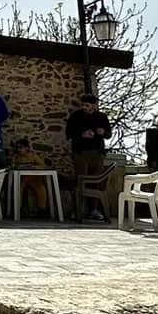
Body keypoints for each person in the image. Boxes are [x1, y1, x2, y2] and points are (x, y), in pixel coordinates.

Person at [63, 93, 112, 221]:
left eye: (87, 105)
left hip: (97, 153)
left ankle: (93, 210)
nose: (84, 107)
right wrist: (81, 134)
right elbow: (69, 133)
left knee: (95, 182)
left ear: (94, 106)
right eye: (83, 105)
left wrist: (103, 132)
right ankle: (77, 209)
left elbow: (108, 134)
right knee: (81, 180)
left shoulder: (101, 117)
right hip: (81, 152)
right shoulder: (76, 116)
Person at [10, 136, 49, 215]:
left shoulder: (33, 156)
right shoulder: (16, 157)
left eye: (21, 147)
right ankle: (18, 209)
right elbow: (12, 166)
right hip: (21, 178)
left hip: (34, 178)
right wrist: (18, 167)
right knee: (17, 189)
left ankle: (42, 209)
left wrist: (33, 167)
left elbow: (43, 166)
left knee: (41, 189)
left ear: (27, 148)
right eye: (17, 147)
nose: (18, 149)